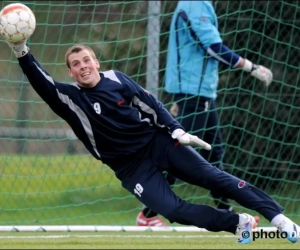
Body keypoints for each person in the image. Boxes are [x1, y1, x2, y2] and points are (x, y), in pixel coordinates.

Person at [2, 38, 299, 244]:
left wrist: (176, 130)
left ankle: (279, 219)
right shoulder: (70, 98)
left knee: (215, 178)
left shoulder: (116, 79)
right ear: (70, 72)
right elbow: (42, 82)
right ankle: (238, 223)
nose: (83, 66)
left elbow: (151, 104)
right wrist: (22, 51)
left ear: (96, 62)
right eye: (76, 64)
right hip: (131, 168)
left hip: (159, 143)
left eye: (87, 60)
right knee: (173, 211)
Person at [161, 0, 272, 221]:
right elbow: (212, 47)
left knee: (214, 156)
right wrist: (251, 67)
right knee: (178, 155)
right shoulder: (194, 6)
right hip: (194, 92)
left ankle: (227, 211)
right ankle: (148, 212)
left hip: (200, 94)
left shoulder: (196, 5)